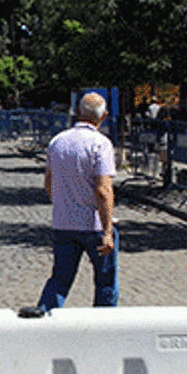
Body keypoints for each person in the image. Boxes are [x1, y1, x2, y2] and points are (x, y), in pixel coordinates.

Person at [34, 92, 118, 312]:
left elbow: (49, 183)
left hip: (64, 224)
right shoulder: (101, 144)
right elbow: (103, 190)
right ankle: (102, 328)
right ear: (104, 116)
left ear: (78, 112)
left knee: (60, 280)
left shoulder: (57, 142)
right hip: (94, 225)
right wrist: (108, 230)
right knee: (105, 282)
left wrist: (61, 206)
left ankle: (45, 319)